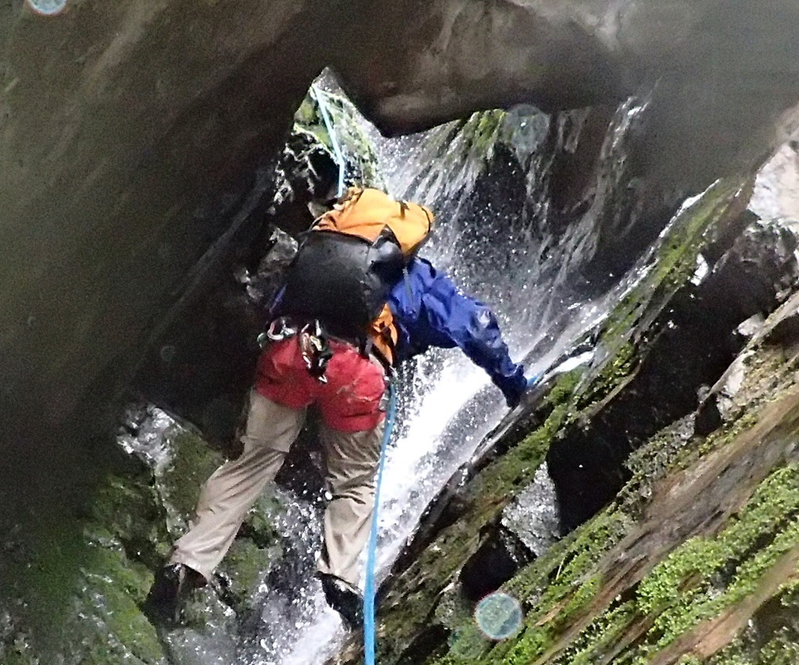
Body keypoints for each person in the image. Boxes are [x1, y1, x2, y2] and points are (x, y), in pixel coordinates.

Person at [147, 181, 534, 626]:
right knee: (354, 482)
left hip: (289, 350)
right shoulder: (418, 278)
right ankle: (341, 577)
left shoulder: (322, 248)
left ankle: (188, 562)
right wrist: (516, 387)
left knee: (250, 463)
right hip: (355, 372)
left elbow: (277, 299)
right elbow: (477, 326)